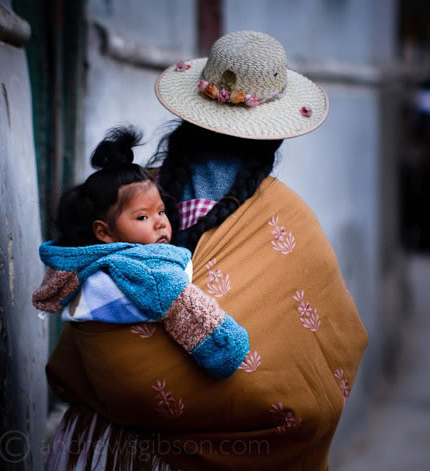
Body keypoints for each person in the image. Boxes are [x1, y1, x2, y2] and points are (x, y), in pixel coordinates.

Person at [43, 31, 368, 470]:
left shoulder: (128, 197)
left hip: (105, 447)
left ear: (189, 121)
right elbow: (329, 359)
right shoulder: (289, 220)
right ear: (272, 139)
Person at [32, 127, 250, 379]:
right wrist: (228, 350)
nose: (160, 222)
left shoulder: (80, 265)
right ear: (103, 232)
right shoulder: (150, 271)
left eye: (161, 211)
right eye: (143, 216)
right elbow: (190, 312)